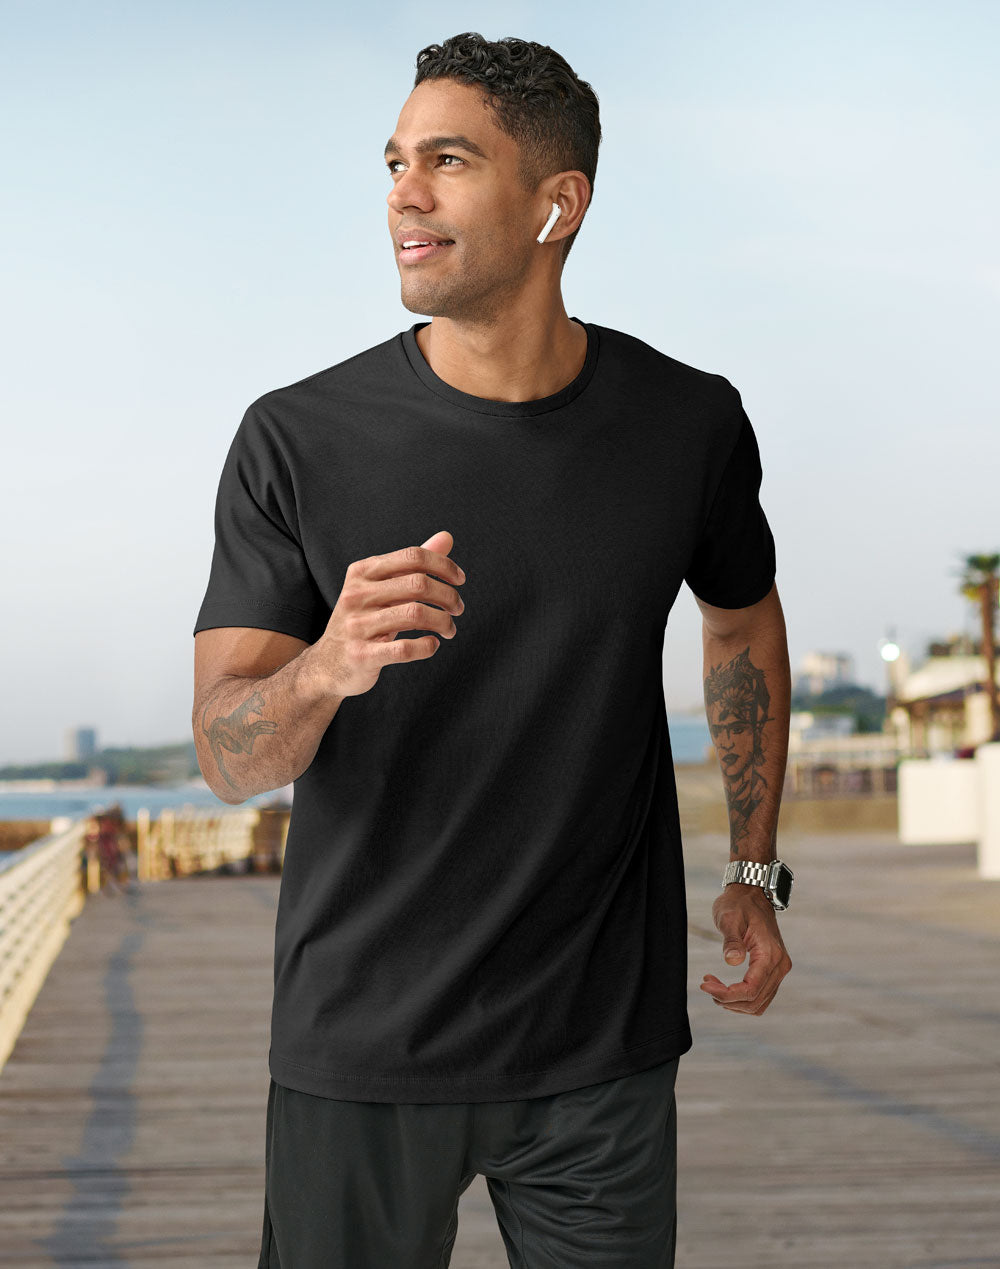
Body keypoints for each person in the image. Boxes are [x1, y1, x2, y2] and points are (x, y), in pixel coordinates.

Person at [191, 32, 793, 1268]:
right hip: (364, 1046)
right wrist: (325, 666)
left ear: (556, 204)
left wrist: (753, 866)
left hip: (601, 1049)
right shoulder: (296, 439)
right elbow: (226, 756)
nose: (402, 194)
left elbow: (740, 616)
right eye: (395, 163)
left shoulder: (688, 423)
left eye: (447, 161)